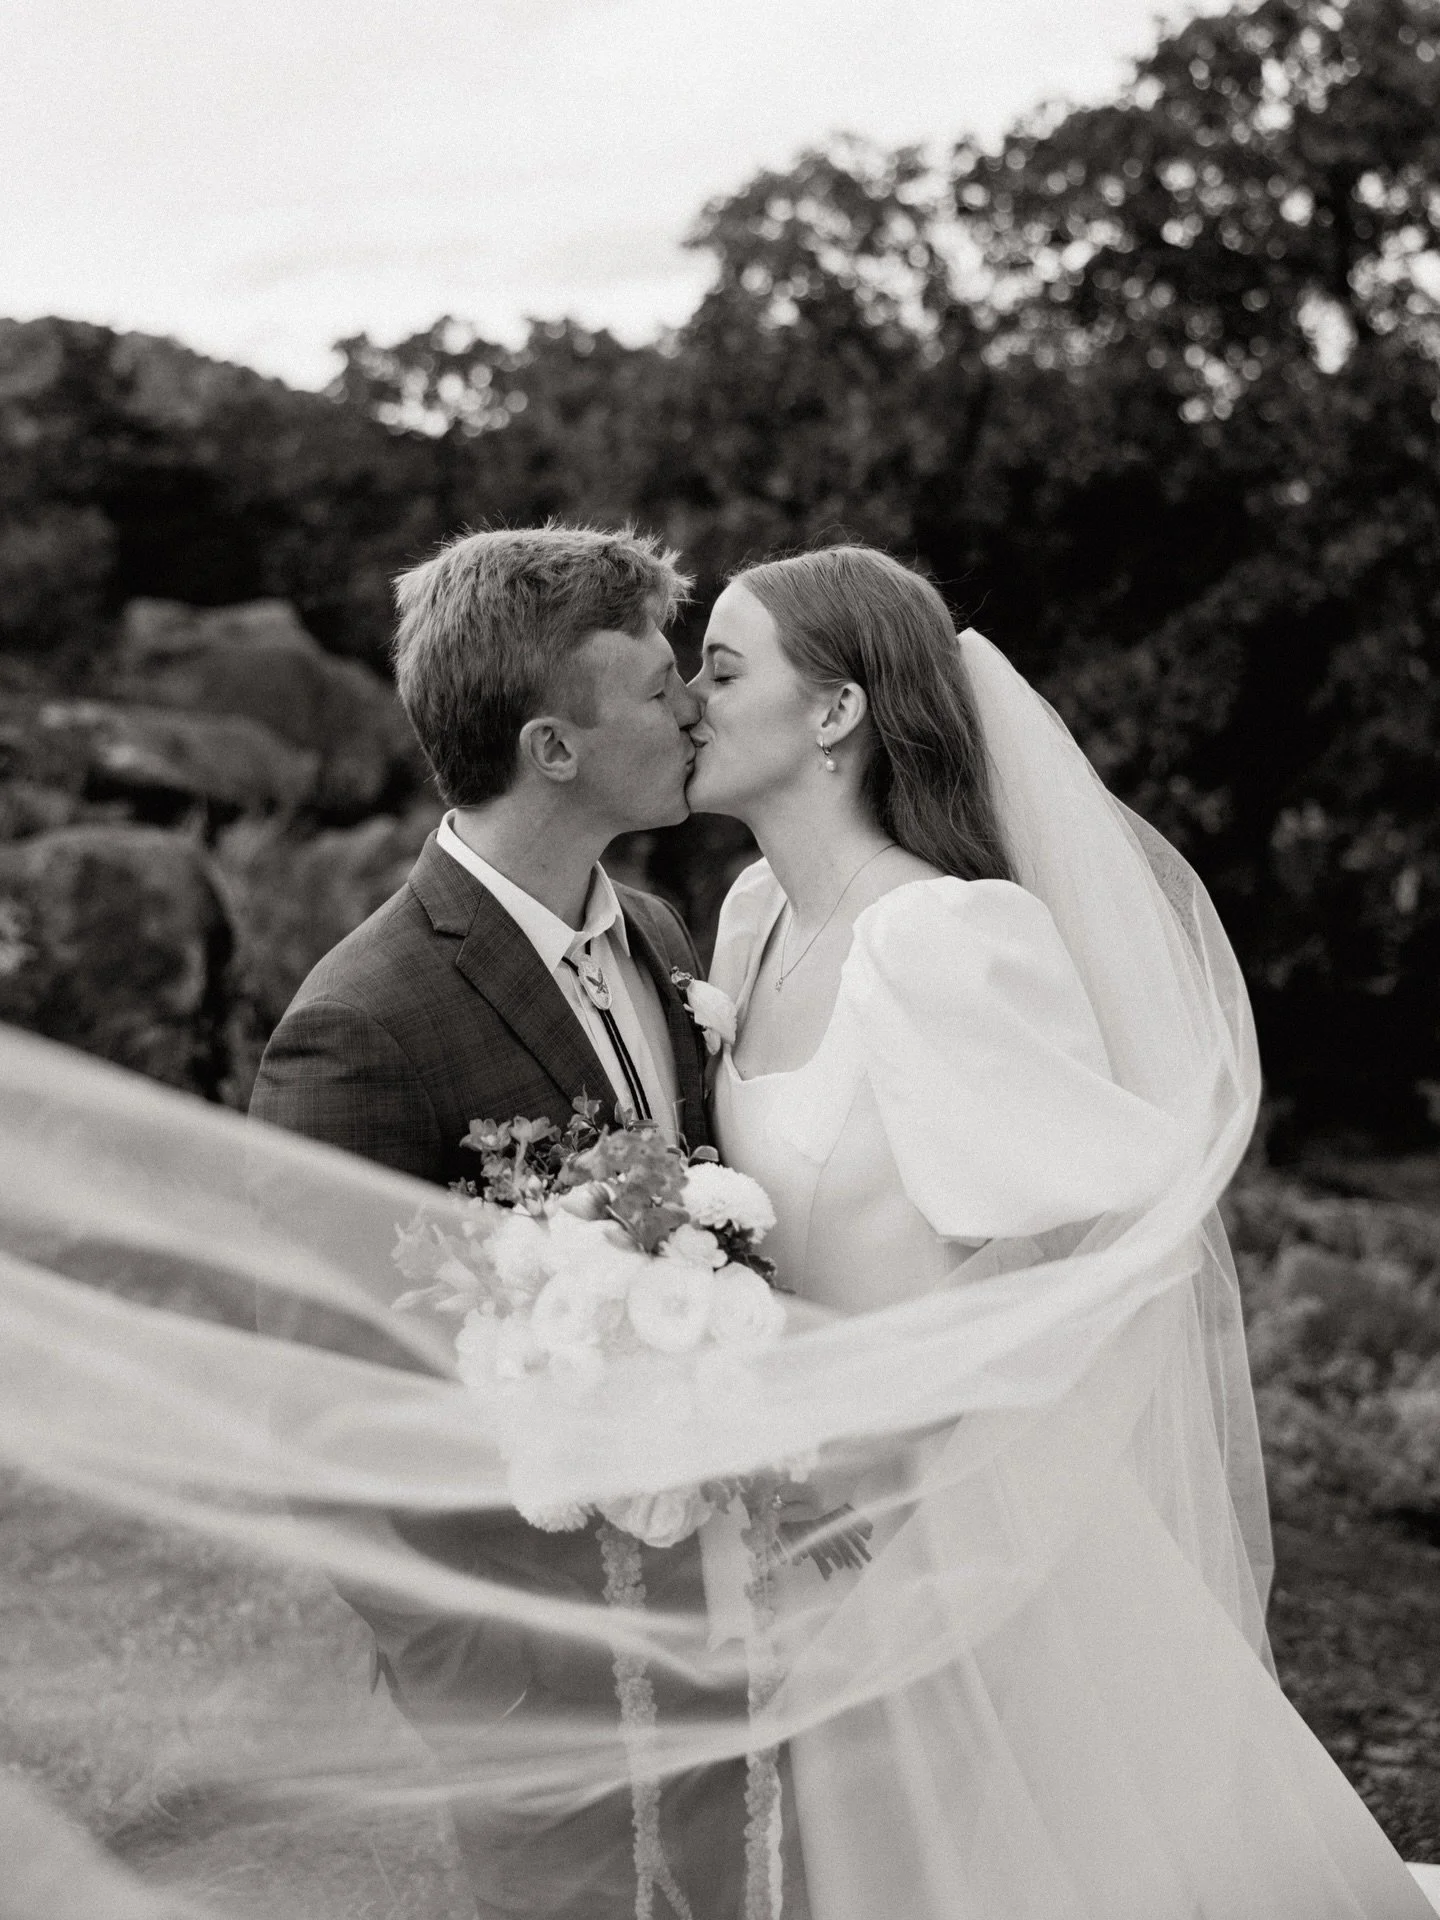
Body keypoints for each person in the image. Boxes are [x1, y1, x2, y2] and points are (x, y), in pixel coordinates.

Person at [683, 544, 1437, 1919]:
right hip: (782, 1532)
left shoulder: (945, 937)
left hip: (944, 1536)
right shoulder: (746, 921)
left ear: (837, 712)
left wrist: (884, 1450)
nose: (688, 699)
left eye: (723, 670)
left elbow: (1097, 1250)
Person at [248, 524, 746, 1920]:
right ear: (553, 748)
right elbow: (323, 1419)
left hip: (716, 1620)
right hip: (531, 1694)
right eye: (657, 688)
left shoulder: (654, 933)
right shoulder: (358, 1029)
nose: (693, 705)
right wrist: (497, 1686)